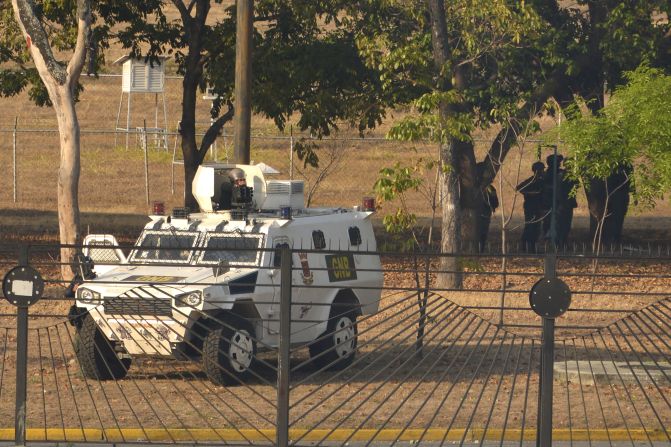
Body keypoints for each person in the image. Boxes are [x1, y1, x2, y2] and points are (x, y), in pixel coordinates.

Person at [516, 161, 545, 252]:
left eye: (542, 170)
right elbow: (519, 188)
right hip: (530, 207)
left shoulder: (542, 181)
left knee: (537, 228)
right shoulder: (531, 180)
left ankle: (533, 247)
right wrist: (532, 193)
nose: (542, 171)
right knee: (530, 227)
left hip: (539, 207)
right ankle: (524, 246)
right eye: (540, 170)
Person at [476, 163, 499, 252]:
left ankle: (479, 251)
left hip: (484, 215)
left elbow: (495, 203)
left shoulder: (490, 188)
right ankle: (479, 251)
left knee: (482, 235)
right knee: (481, 235)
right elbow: (495, 203)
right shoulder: (489, 188)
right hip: (482, 215)